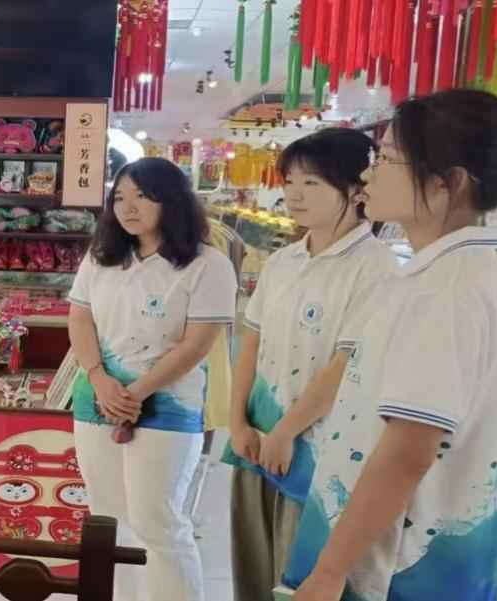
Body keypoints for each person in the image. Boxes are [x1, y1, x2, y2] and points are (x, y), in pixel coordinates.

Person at [282, 90, 497, 601]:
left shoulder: (446, 292)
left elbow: (407, 453)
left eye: (387, 159)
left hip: (397, 568)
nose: (369, 174)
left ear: (448, 182)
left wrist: (331, 570)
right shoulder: (446, 273)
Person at [223, 128, 397, 601]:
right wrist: (236, 422)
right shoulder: (284, 261)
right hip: (257, 439)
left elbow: (345, 365)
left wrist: (286, 431)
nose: (294, 194)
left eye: (312, 183)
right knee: (251, 570)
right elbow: (250, 345)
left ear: (357, 190)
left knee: (297, 574)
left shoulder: (376, 267)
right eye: (290, 181)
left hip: (317, 450)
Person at [67, 156, 239, 601]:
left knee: (157, 522)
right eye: (120, 197)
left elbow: (197, 345)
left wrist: (136, 393)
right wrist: (99, 378)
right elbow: (80, 320)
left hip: (168, 405)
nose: (128, 207)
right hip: (96, 400)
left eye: (142, 196)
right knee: (108, 519)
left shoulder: (208, 264)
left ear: (172, 200)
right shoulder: (102, 257)